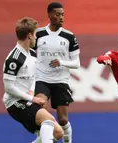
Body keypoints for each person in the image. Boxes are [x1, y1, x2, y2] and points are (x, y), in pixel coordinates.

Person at [2, 17, 64, 143]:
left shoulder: (32, 54)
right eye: (35, 34)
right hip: (15, 103)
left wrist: (31, 91)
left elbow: (34, 76)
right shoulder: (14, 58)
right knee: (47, 121)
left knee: (58, 132)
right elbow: (8, 87)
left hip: (27, 100)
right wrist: (32, 98)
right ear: (29, 35)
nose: (36, 37)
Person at [32, 2, 80, 143]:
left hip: (61, 80)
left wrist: (62, 62)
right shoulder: (39, 34)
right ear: (49, 15)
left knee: (63, 120)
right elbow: (29, 53)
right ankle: (45, 139)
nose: (61, 18)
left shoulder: (69, 37)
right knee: (41, 110)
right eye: (57, 14)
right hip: (42, 79)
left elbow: (76, 63)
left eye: (63, 15)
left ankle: (67, 141)